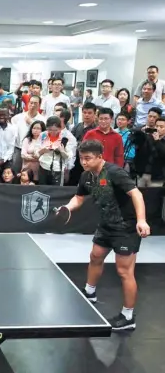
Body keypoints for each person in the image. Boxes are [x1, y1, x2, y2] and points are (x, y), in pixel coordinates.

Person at [57, 140, 150, 331]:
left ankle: (128, 316)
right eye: (81, 158)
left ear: (100, 157)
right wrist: (68, 207)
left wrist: (141, 220)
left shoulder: (115, 173)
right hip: (106, 225)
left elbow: (136, 194)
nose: (84, 162)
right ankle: (90, 292)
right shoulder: (86, 176)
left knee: (124, 272)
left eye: (88, 158)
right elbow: (79, 197)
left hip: (126, 227)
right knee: (95, 256)